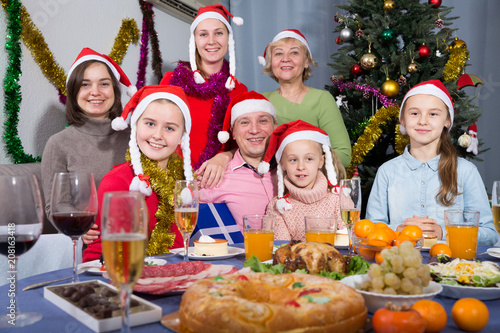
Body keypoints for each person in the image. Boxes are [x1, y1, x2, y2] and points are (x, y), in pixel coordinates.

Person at [366, 80, 498, 245]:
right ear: (403, 121)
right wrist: (398, 231)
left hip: (451, 265)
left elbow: (491, 234)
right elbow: (370, 230)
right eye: (414, 113)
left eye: (433, 114)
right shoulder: (387, 171)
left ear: (447, 121)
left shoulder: (465, 171)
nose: (423, 121)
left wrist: (445, 232)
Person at [82, 85, 193, 262]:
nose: (157, 135)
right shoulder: (116, 183)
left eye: (170, 128)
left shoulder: (185, 184)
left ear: (182, 136)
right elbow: (96, 257)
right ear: (135, 126)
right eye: (150, 124)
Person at [160, 4, 247, 187]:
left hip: (217, 183)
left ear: (228, 38)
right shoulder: (172, 81)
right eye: (203, 34)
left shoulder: (239, 90)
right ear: (195, 41)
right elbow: (156, 131)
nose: (211, 41)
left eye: (219, 33)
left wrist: (225, 156)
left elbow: (244, 143)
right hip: (171, 180)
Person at [41, 48, 135, 216]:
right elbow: (55, 206)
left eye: (104, 84)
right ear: (74, 91)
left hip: (133, 236)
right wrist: (78, 224)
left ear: (114, 90)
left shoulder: (136, 138)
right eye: (85, 84)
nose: (95, 92)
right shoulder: (58, 144)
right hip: (82, 237)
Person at [259, 29, 351, 168]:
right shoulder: (261, 101)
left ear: (306, 62)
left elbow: (343, 155)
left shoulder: (322, 99)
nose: (285, 58)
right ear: (272, 63)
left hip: (313, 185)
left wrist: (306, 169)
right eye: (278, 53)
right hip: (269, 183)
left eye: (294, 52)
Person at [199, 91, 278, 233]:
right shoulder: (215, 176)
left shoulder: (293, 169)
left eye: (263, 121)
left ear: (275, 127)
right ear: (233, 133)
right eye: (245, 122)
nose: (254, 130)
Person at [259, 120, 346, 241]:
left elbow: (347, 243)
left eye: (308, 159)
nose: (301, 167)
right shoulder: (278, 207)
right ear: (283, 164)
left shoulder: (338, 199)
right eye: (293, 160)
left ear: (321, 161)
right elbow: (281, 250)